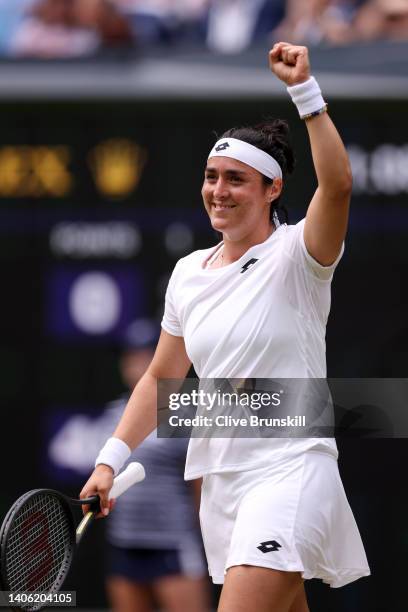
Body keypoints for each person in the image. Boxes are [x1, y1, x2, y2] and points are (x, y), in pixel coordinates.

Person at [81, 42, 370, 612]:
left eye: (236, 179)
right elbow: (162, 376)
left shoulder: (299, 255)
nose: (218, 190)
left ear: (272, 190)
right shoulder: (188, 273)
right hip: (223, 482)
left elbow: (336, 187)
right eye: (212, 177)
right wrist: (109, 460)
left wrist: (306, 95)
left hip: (291, 467)